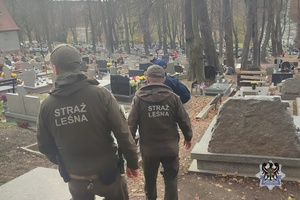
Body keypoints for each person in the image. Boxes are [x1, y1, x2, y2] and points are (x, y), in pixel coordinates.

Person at [37, 44, 139, 200]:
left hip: (75, 176)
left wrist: (64, 161)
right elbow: (123, 133)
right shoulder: (101, 95)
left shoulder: (47, 105)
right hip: (108, 175)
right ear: (80, 65)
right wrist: (132, 162)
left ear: (55, 69)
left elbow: (44, 145)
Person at [128, 65, 193, 200]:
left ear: (148, 79)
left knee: (150, 181)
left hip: (149, 150)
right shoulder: (173, 98)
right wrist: (188, 137)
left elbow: (131, 126)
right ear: (163, 80)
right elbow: (184, 120)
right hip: (170, 148)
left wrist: (130, 149)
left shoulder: (138, 99)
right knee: (171, 180)